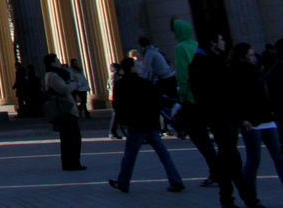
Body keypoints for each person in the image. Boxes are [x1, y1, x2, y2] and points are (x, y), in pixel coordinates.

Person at [192, 33, 261, 208]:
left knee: (226, 161)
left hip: (223, 118)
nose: (224, 43)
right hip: (220, 118)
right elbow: (221, 95)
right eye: (221, 40)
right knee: (233, 161)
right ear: (213, 43)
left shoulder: (211, 61)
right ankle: (248, 200)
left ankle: (228, 199)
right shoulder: (206, 63)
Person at [109, 56, 185, 193]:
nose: (139, 67)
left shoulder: (120, 85)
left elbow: (118, 106)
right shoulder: (145, 83)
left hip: (135, 126)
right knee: (164, 155)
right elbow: (156, 102)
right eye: (136, 65)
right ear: (131, 68)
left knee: (130, 156)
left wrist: (126, 122)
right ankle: (176, 181)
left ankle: (123, 182)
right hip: (151, 124)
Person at [231, 42, 283, 195]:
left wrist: (271, 110)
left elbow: (264, 94)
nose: (254, 58)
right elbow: (236, 100)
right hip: (251, 122)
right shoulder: (237, 74)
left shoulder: (257, 72)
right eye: (251, 56)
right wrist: (242, 119)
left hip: (266, 118)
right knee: (254, 160)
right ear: (242, 58)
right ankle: (250, 196)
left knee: (279, 157)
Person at [175, 18, 221, 186]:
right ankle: (219, 170)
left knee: (199, 136)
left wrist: (184, 94)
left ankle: (216, 171)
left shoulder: (180, 48)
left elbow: (182, 73)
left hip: (192, 99)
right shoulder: (195, 45)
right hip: (205, 97)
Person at [44, 53, 86, 171]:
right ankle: (71, 163)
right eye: (56, 60)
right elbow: (64, 89)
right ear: (52, 63)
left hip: (66, 110)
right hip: (64, 110)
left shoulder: (56, 74)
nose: (59, 61)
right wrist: (74, 83)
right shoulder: (52, 76)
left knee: (72, 137)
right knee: (71, 138)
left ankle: (73, 162)